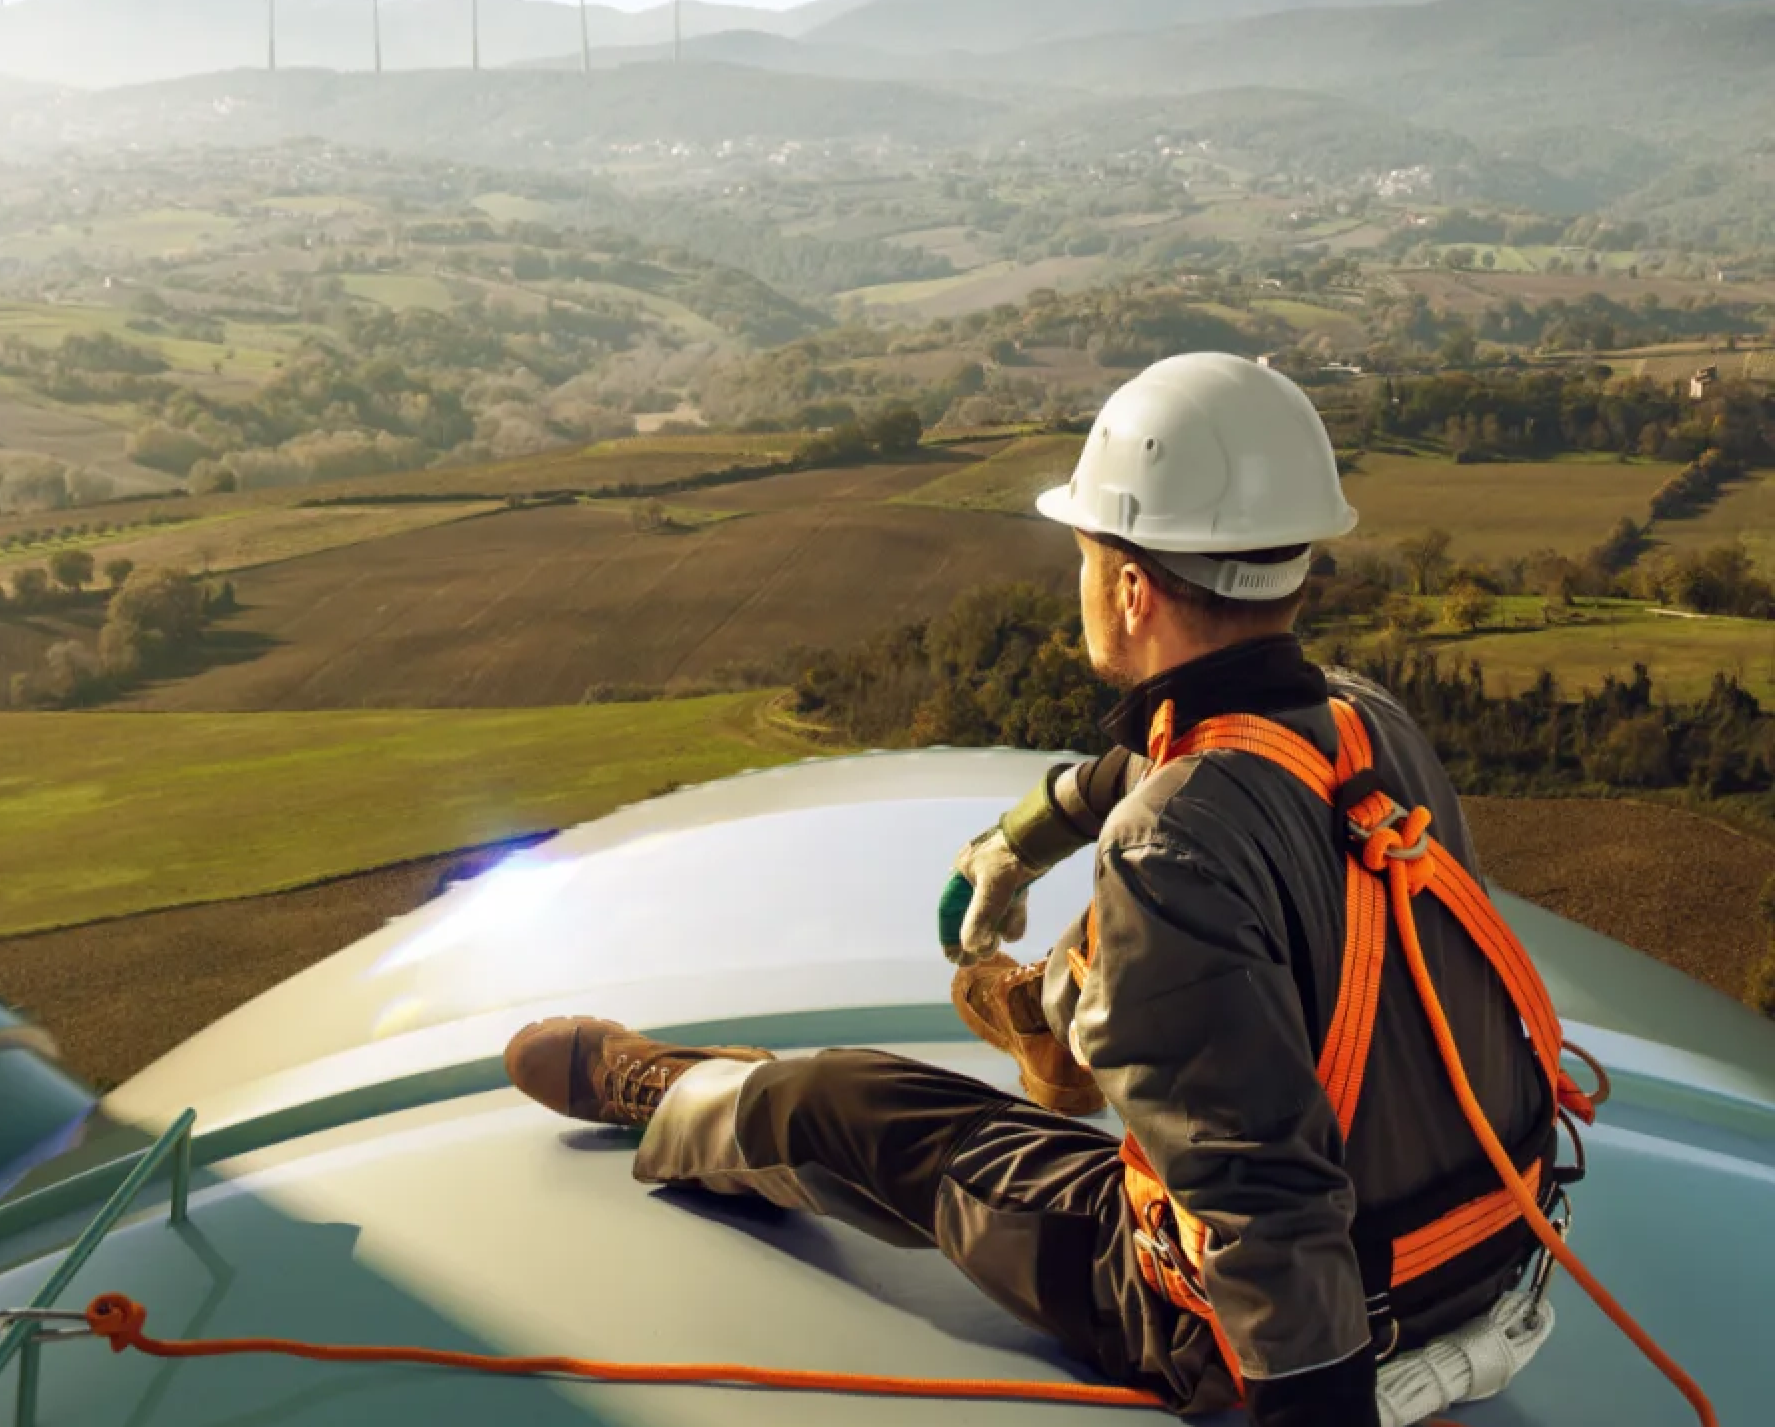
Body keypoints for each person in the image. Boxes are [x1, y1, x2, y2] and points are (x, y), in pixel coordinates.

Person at [504, 353, 1569, 1427]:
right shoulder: (1361, 720)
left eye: (1085, 551)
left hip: (1273, 1333)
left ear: (1131, 586)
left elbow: (1265, 1198)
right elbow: (1162, 764)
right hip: (1492, 1259)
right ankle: (1065, 1017)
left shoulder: (1170, 845)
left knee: (857, 1107)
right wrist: (1022, 839)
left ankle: (679, 1095)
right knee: (1160, 928)